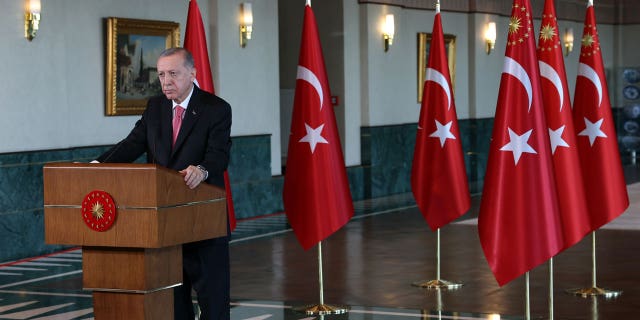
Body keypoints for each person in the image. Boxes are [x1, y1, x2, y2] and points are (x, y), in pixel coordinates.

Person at [96, 47, 232, 320]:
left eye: (173, 73)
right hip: (165, 224)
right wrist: (97, 167)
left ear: (192, 74)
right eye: (160, 75)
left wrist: (202, 170)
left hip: (202, 220)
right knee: (173, 303)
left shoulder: (216, 108)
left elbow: (220, 155)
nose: (166, 81)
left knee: (214, 303)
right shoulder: (155, 107)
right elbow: (132, 144)